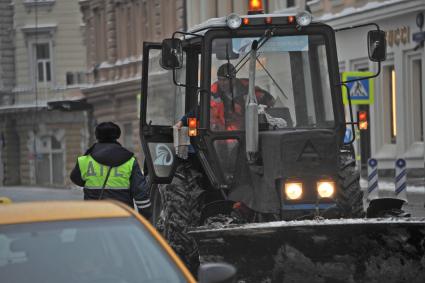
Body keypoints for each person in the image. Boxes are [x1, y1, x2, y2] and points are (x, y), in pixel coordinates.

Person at [70, 122, 151, 218]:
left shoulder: (85, 160)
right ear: (117, 136)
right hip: (122, 215)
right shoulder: (129, 160)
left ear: (97, 136)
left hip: (92, 215)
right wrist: (145, 216)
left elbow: (75, 178)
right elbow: (140, 191)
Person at [175, 62, 275, 131]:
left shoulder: (247, 89)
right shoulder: (212, 93)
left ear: (234, 79)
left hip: (244, 134)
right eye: (220, 79)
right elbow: (198, 111)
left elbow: (270, 101)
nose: (222, 83)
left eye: (225, 80)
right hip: (218, 135)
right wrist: (182, 123)